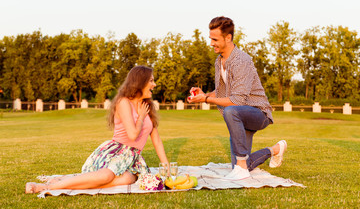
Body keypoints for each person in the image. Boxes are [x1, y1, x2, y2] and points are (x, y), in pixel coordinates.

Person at [26, 65, 169, 193]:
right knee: (107, 176)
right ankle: (46, 187)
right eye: (151, 80)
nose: (154, 84)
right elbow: (132, 135)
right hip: (117, 151)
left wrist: (166, 166)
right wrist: (141, 117)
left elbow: (156, 139)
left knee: (128, 179)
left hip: (133, 157)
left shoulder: (147, 106)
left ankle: (66, 180)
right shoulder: (124, 102)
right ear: (140, 82)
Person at [188, 16, 287, 180]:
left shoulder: (241, 60)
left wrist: (206, 101)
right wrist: (204, 95)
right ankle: (275, 149)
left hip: (258, 113)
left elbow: (236, 101)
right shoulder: (219, 61)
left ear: (228, 38)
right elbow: (221, 91)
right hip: (239, 116)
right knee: (243, 165)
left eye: (215, 39)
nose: (211, 43)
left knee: (231, 110)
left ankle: (240, 165)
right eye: (210, 38)